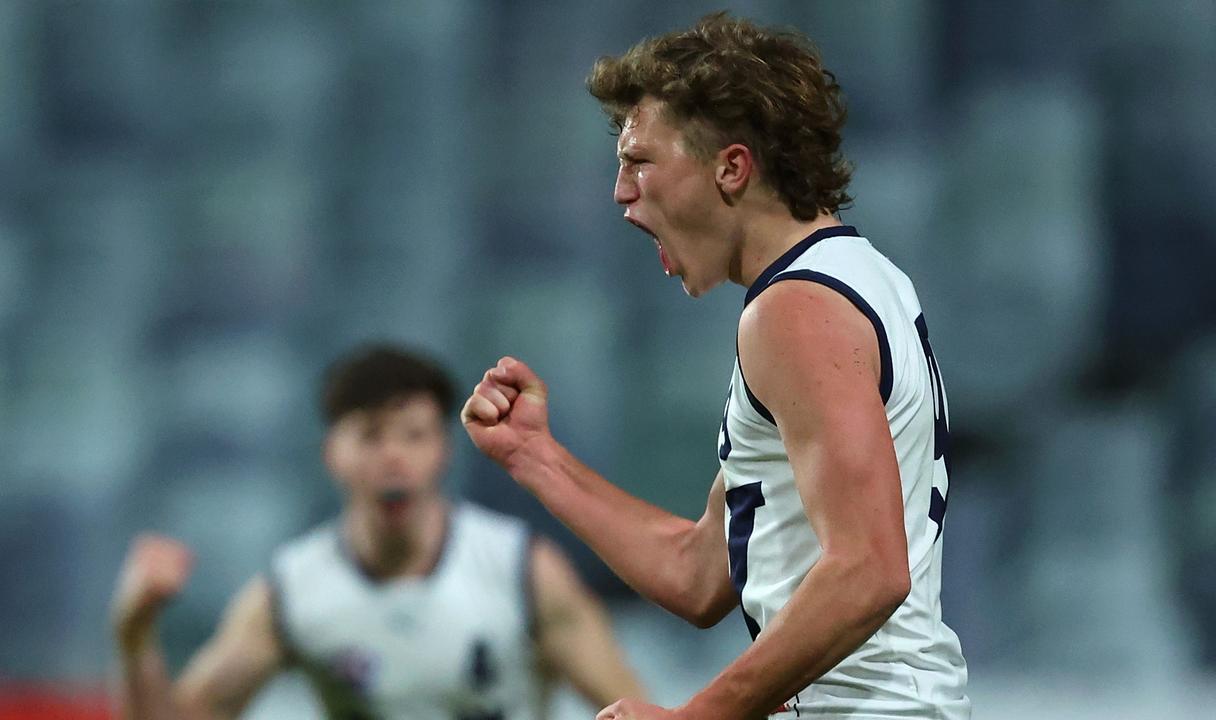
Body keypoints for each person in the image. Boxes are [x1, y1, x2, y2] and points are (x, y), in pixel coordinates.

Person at [461, 12, 969, 720]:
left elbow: (869, 569)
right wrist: (535, 456)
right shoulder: (855, 279)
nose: (620, 191)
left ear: (731, 167)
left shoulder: (797, 310)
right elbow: (702, 572)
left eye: (640, 162)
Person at [112, 344, 645, 720]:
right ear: (331, 455)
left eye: (414, 436)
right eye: (370, 436)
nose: (393, 457)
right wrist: (135, 638)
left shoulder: (523, 571)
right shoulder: (293, 591)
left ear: (444, 451)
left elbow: (632, 708)